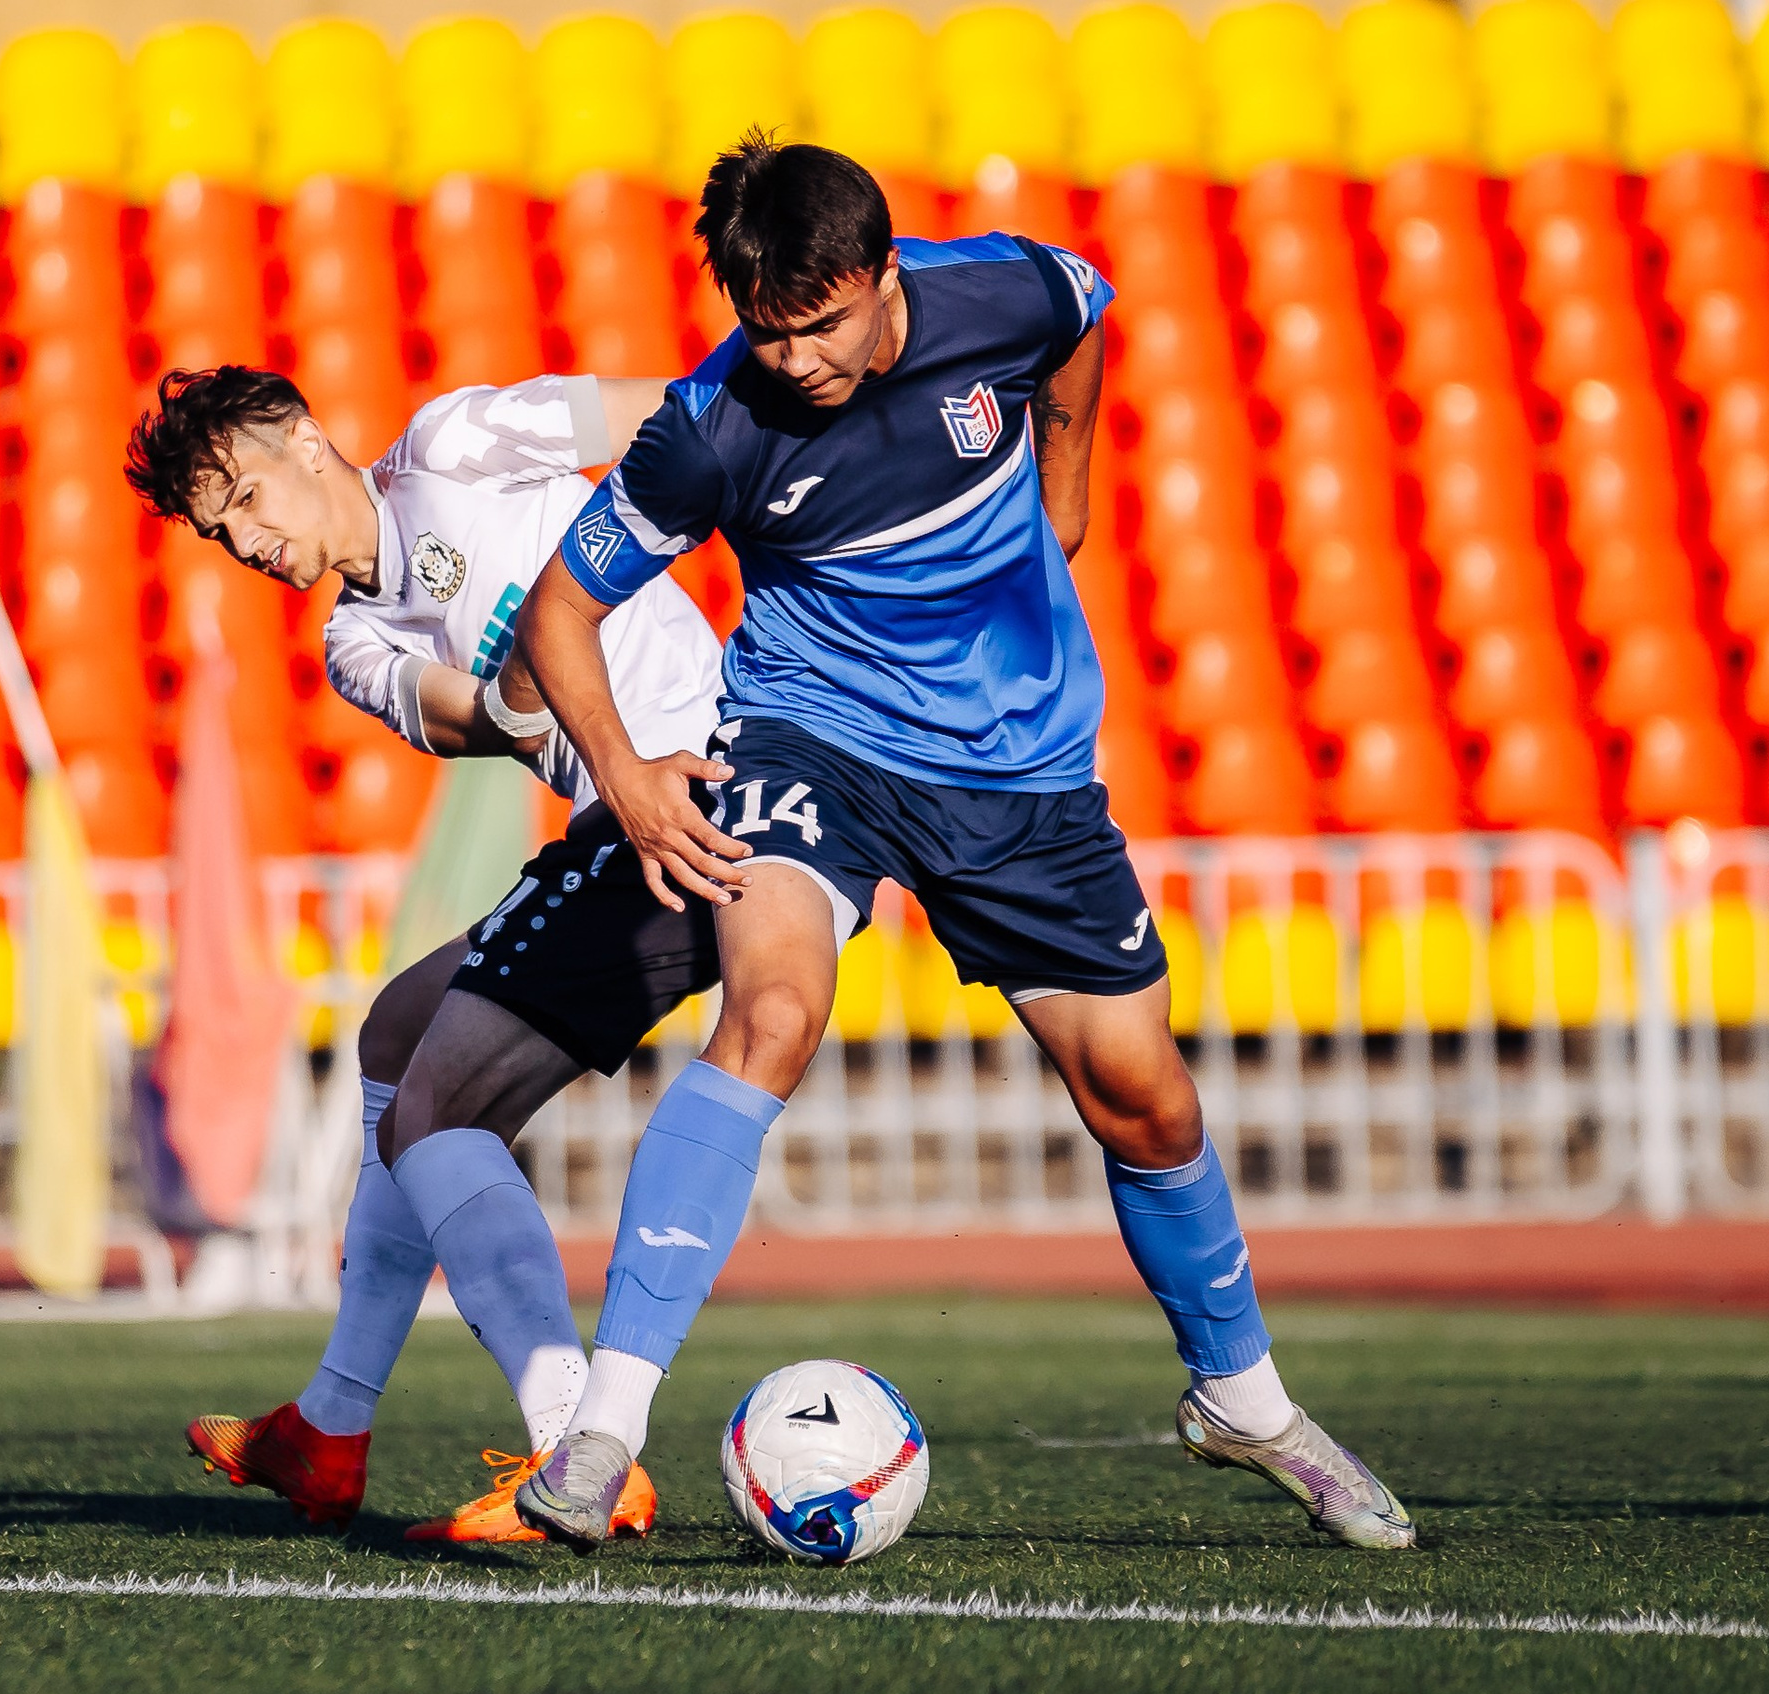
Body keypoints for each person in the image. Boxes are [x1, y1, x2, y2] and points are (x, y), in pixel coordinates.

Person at [488, 136, 1417, 1553]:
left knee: (1146, 1101)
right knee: (774, 1010)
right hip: (815, 746)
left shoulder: (1003, 294)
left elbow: (1085, 322)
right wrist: (622, 776)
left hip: (1022, 773)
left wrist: (1071, 476)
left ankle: (1244, 1398)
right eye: (763, 327)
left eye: (819, 324)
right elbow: (556, 611)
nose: (789, 356)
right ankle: (602, 1428)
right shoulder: (709, 425)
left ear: (881, 273)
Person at [121, 366, 727, 1542]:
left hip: (701, 784)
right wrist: (528, 664)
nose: (245, 539)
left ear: (304, 436)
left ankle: (575, 1447)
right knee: (397, 1028)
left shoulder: (455, 443)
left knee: (431, 1102)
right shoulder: (356, 642)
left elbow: (675, 410)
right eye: (218, 529)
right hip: (623, 825)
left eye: (247, 495)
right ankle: (332, 1425)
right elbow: (481, 723)